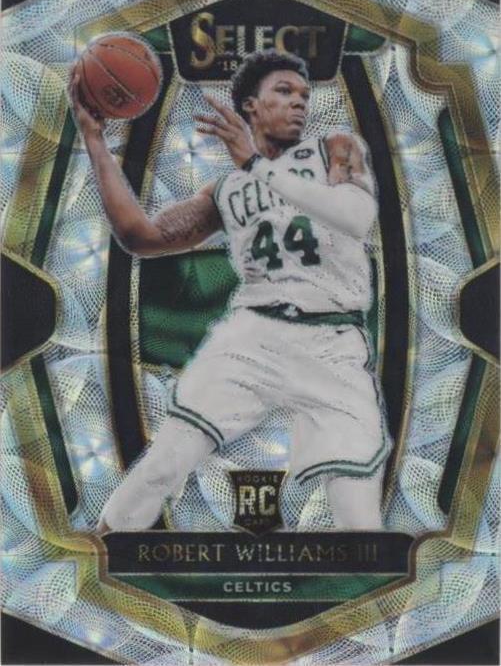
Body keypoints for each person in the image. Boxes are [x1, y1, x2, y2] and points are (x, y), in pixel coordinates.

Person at [69, 49, 391, 533]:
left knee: (359, 517)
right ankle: (102, 553)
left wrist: (258, 165)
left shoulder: (334, 149)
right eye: (284, 91)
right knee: (162, 465)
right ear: (250, 106)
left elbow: (357, 216)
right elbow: (139, 235)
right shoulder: (224, 190)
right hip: (253, 337)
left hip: (333, 340)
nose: (299, 102)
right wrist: (94, 140)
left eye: (304, 95)